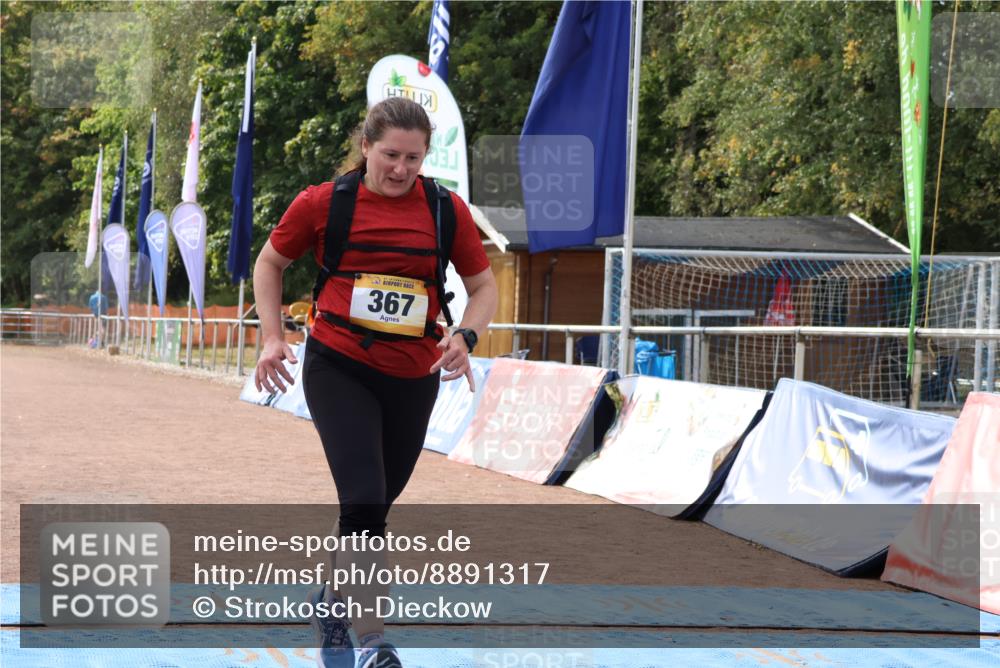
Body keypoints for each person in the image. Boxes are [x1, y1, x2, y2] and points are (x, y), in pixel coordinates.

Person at [253, 97, 497, 668]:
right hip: (338, 365)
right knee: (364, 502)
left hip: (414, 376)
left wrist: (466, 336)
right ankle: (372, 643)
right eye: (390, 155)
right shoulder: (323, 203)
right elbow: (269, 263)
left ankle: (333, 602)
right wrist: (271, 337)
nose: (401, 169)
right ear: (366, 147)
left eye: (414, 158)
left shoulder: (444, 210)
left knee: (372, 504)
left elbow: (483, 287)